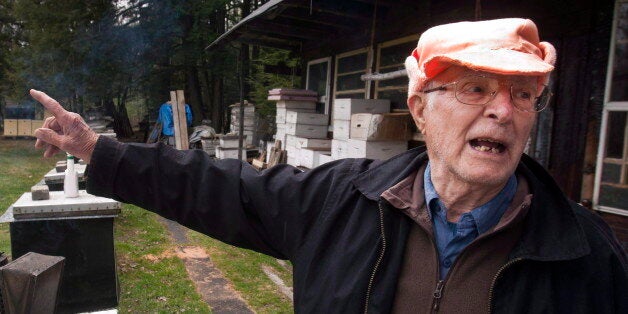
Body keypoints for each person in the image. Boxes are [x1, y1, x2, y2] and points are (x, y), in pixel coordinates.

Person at [30, 18, 626, 313]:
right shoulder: (340, 201)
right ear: (421, 108)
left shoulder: (587, 256)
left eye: (522, 96)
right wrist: (97, 151)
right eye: (476, 89)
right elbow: (216, 186)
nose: (504, 112)